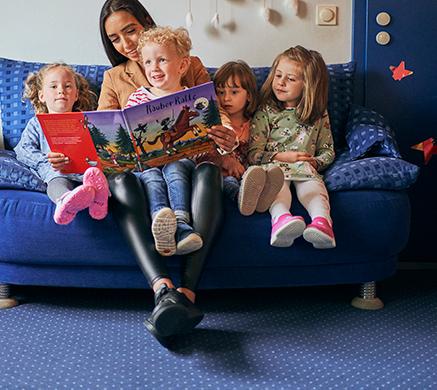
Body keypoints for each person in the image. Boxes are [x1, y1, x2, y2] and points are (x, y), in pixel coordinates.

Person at [98, 0, 237, 347]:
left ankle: (183, 293)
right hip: (139, 171)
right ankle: (164, 288)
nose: (126, 43)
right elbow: (103, 133)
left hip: (190, 162)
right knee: (124, 183)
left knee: (208, 173)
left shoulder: (188, 64)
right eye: (115, 38)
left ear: (146, 22)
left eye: (130, 30)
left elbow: (212, 114)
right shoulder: (114, 78)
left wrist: (223, 137)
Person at [123, 26, 205, 258]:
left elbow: (199, 145)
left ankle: (181, 223)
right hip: (148, 163)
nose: (154, 68)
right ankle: (162, 221)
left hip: (180, 160)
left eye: (161, 60)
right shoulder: (137, 97)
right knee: (150, 176)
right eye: (147, 62)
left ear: (182, 66)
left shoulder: (191, 98)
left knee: (176, 168)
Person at [248, 46, 337, 249]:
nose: (280, 82)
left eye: (290, 79)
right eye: (278, 75)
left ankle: (322, 224)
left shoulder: (318, 114)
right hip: (274, 169)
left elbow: (328, 150)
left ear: (308, 86)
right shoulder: (265, 111)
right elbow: (253, 155)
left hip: (305, 170)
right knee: (277, 189)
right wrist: (281, 157)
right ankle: (281, 221)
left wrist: (315, 162)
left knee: (313, 189)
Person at [14, 62, 110, 225]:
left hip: (87, 171)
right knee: (56, 181)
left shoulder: (86, 121)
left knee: (96, 174)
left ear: (76, 95)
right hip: (56, 171)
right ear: (41, 96)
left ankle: (98, 202)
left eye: (67, 86)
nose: (61, 90)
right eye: (53, 86)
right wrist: (46, 160)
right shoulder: (36, 123)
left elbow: (101, 145)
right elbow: (23, 149)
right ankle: (66, 200)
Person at [201, 60, 283, 215]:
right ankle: (241, 196)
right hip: (220, 179)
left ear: (249, 96)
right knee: (229, 182)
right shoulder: (214, 127)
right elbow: (201, 160)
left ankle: (261, 195)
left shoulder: (256, 125)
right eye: (220, 92)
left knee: (263, 173)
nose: (226, 98)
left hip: (250, 177)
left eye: (234, 92)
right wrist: (225, 160)